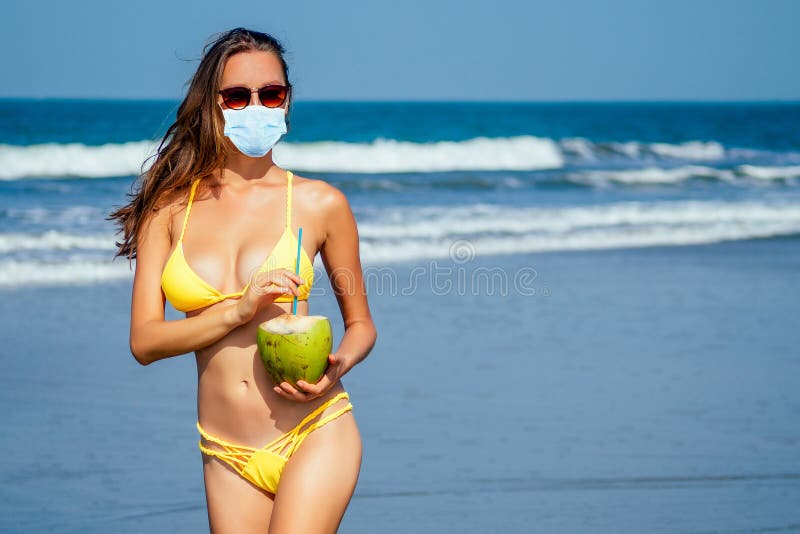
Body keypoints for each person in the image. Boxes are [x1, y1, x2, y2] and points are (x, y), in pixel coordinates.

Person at [109, 27, 377, 533]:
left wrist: (338, 365)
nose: (256, 107)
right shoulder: (169, 211)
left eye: (270, 94)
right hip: (224, 452)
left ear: (287, 102)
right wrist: (237, 309)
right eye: (237, 95)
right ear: (213, 104)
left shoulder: (321, 204)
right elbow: (144, 342)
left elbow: (361, 325)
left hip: (314, 430)